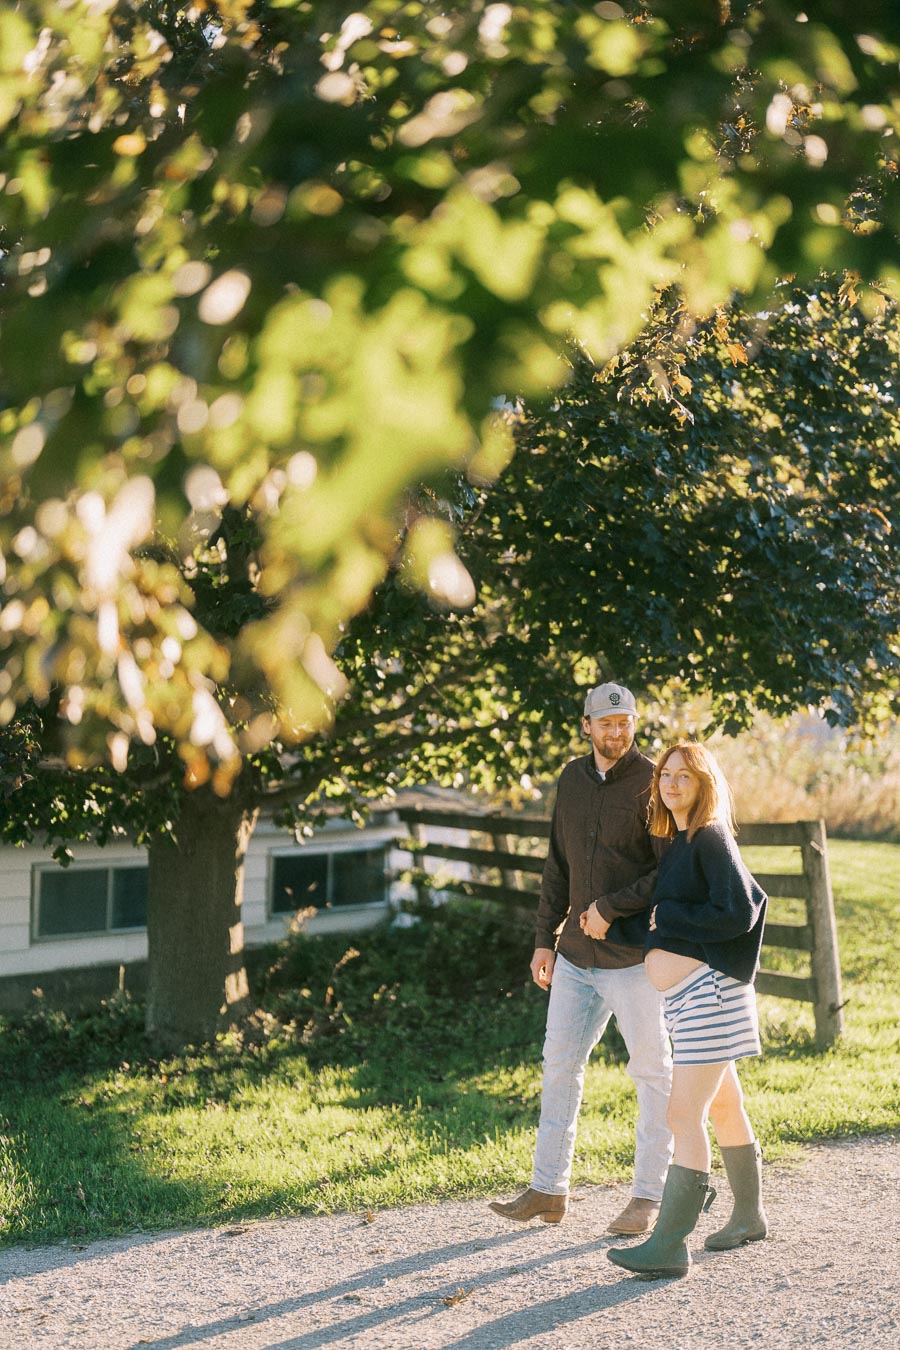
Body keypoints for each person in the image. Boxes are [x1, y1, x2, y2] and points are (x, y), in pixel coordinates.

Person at [489, 682, 673, 1236]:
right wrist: (544, 939)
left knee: (652, 1073)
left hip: (634, 959)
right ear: (586, 725)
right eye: (606, 723)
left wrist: (609, 908)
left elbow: (667, 871)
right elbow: (557, 866)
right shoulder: (570, 779)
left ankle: (649, 1196)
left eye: (626, 722)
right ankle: (548, 1189)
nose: (617, 732)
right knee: (559, 1067)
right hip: (573, 957)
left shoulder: (653, 782)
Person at [601, 741, 769, 1279]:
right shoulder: (680, 843)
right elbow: (665, 919)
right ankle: (747, 1215)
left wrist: (670, 918)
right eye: (666, 775)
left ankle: (670, 1244)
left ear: (705, 785)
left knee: (682, 1116)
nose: (671, 784)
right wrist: (615, 922)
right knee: (721, 1108)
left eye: (685, 777)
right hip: (690, 998)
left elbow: (741, 911)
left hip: (709, 995)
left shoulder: (711, 837)